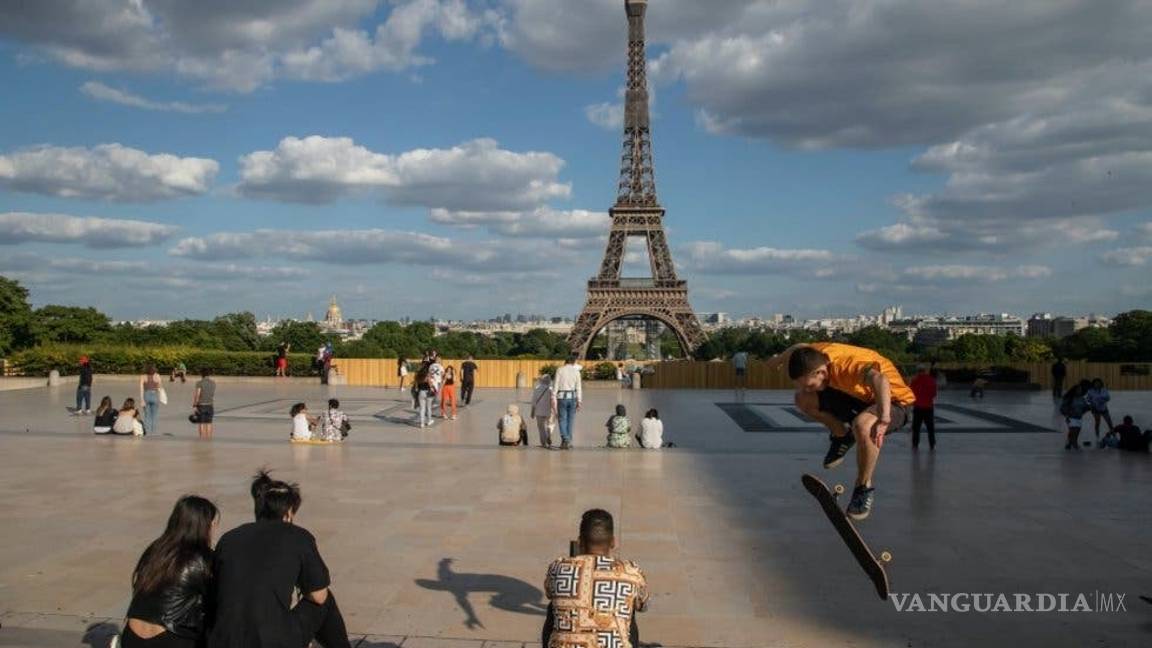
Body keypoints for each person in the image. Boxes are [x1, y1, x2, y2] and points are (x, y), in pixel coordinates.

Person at [766, 342, 915, 520]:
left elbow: (880, 380)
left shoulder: (846, 366)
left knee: (863, 426)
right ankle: (841, 436)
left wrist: (884, 418)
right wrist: (777, 360)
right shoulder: (813, 355)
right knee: (803, 399)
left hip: (893, 401)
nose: (808, 388)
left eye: (810, 385)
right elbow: (798, 346)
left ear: (820, 372)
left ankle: (863, 488)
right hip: (861, 396)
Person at [208, 470, 352, 648]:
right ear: (289, 512)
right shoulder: (299, 537)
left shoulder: (229, 538)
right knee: (324, 599)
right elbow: (318, 596)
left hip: (222, 640)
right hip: (272, 641)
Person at [121, 495, 218, 648]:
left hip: (131, 637)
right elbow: (217, 603)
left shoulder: (156, 549)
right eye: (212, 523)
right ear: (205, 525)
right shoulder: (203, 558)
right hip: (170, 640)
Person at [543, 509, 648, 648]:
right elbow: (643, 605)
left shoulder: (558, 567)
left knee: (553, 606)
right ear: (613, 542)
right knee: (629, 607)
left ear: (580, 541)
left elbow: (549, 592)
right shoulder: (631, 571)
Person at [553, 355, 583, 450]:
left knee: (562, 419)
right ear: (574, 362)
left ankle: (565, 438)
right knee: (571, 420)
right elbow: (579, 387)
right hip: (573, 397)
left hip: (561, 397)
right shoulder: (576, 372)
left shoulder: (560, 370)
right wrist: (579, 401)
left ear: (565, 361)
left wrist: (553, 397)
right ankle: (568, 440)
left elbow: (556, 385)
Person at [909, 364, 938, 450]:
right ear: (925, 370)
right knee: (930, 427)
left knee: (916, 427)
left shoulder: (915, 380)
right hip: (928, 407)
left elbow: (911, 393)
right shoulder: (931, 380)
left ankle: (915, 444)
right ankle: (932, 444)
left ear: (918, 371)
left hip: (918, 407)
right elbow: (934, 394)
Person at [1060, 382, 1091, 450]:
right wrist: (1067, 415)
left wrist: (1089, 407)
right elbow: (1062, 408)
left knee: (1076, 432)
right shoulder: (1069, 398)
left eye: (1080, 390)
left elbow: (1085, 407)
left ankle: (1069, 443)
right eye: (1078, 390)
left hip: (1079, 417)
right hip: (1071, 417)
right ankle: (1075, 445)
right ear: (1074, 390)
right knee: (1074, 431)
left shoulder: (1082, 398)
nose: (1080, 391)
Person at [530, 374, 557, 448]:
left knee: (541, 427)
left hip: (539, 411)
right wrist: (556, 411)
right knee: (550, 424)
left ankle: (543, 442)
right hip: (549, 411)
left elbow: (534, 401)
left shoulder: (537, 388)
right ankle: (549, 433)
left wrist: (532, 412)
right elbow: (554, 401)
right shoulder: (551, 389)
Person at [192, 368, 216, 440]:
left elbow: (198, 394)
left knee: (202, 423)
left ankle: (202, 440)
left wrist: (195, 404)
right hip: (210, 405)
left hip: (201, 405)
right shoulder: (213, 383)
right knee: (209, 423)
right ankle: (209, 440)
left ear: (202, 374)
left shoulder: (199, 383)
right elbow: (212, 394)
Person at [140, 364, 163, 435]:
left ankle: (146, 431)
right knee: (154, 415)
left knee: (147, 415)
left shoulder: (143, 377)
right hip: (155, 395)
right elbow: (159, 388)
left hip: (146, 395)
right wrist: (160, 398)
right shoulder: (158, 376)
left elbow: (141, 389)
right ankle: (153, 432)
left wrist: (142, 400)